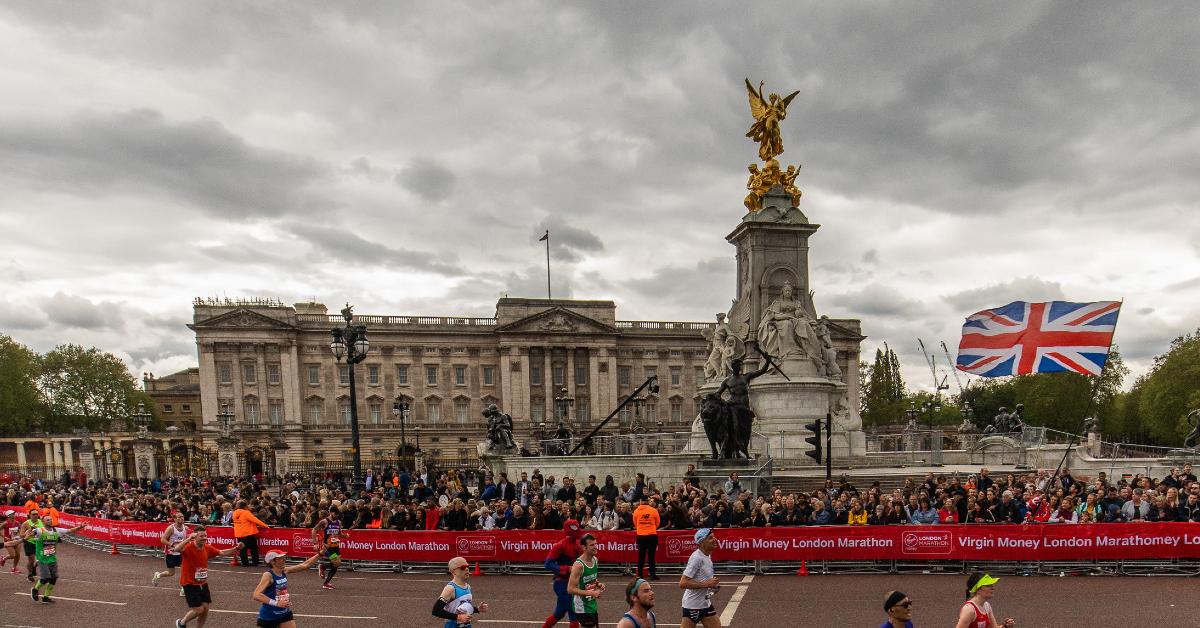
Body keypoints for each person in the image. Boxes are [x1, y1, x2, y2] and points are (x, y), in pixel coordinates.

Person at [175, 526, 244, 628]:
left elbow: (222, 553)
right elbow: (177, 549)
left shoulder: (207, 548)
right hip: (189, 583)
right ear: (195, 537)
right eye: (201, 536)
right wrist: (189, 538)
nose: (204, 538)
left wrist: (237, 548)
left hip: (203, 583)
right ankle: (181, 623)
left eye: (205, 535)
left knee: (206, 608)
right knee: (199, 609)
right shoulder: (188, 547)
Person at [27, 520, 87, 604]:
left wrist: (81, 527)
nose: (50, 520)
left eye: (50, 519)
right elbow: (29, 534)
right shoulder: (39, 530)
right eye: (47, 519)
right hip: (42, 558)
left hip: (52, 558)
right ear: (43, 521)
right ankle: (35, 589)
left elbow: (70, 530)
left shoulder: (56, 530)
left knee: (54, 578)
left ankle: (46, 597)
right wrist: (28, 535)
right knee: (46, 578)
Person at [541, 519, 584, 628]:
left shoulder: (578, 545)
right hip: (562, 583)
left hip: (572, 583)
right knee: (573, 613)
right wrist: (567, 569)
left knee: (559, 613)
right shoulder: (560, 545)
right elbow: (548, 564)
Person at [679, 528, 721, 628]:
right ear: (701, 542)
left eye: (714, 537)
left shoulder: (707, 555)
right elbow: (683, 583)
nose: (715, 539)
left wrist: (713, 588)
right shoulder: (696, 558)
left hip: (705, 603)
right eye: (710, 538)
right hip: (693, 605)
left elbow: (703, 580)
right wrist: (707, 584)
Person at [433, 556, 490, 627]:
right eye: (462, 567)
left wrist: (477, 609)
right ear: (454, 572)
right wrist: (459, 617)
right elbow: (436, 611)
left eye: (467, 566)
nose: (466, 569)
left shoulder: (468, 587)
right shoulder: (450, 589)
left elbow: (462, 608)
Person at [567, 534, 606, 628]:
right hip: (582, 607)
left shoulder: (595, 560)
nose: (595, 547)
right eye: (592, 545)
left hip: (592, 604)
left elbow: (591, 578)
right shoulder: (578, 565)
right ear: (584, 547)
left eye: (596, 544)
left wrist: (598, 584)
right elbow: (570, 589)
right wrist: (592, 593)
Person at [154, 511, 191, 595]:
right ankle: (158, 575)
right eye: (179, 517)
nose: (181, 518)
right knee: (171, 573)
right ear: (174, 519)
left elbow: (186, 540)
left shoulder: (186, 528)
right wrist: (172, 544)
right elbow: (163, 539)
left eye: (182, 517)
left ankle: (183, 589)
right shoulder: (171, 528)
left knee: (185, 571)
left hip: (181, 553)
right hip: (171, 553)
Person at [312, 508, 347, 590]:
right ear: (331, 513)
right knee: (336, 562)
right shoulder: (325, 521)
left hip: (335, 545)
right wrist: (315, 543)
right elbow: (314, 530)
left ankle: (323, 567)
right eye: (335, 514)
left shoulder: (338, 522)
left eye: (338, 515)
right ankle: (326, 582)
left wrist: (345, 535)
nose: (337, 516)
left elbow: (339, 534)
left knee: (336, 564)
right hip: (327, 546)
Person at [233, 500, 269, 567]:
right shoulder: (246, 513)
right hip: (248, 533)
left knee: (242, 549)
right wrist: (265, 525)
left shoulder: (235, 513)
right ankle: (255, 562)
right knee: (253, 548)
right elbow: (255, 520)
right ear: (245, 506)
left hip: (239, 533)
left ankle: (245, 563)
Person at [633, 496, 661, 580]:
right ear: (648, 501)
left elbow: (635, 524)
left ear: (641, 501)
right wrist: (651, 527)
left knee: (641, 556)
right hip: (651, 535)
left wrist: (642, 528)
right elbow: (658, 523)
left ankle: (640, 575)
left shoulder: (636, 511)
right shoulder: (653, 510)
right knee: (651, 556)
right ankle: (652, 574)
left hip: (641, 535)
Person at [18, 507, 43, 582]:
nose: (35, 515)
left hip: (40, 542)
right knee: (31, 559)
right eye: (33, 514)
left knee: (42, 559)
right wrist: (29, 532)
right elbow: (21, 535)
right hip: (30, 542)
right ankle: (29, 575)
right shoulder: (26, 523)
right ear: (30, 515)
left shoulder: (41, 521)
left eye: (36, 514)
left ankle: (34, 567)